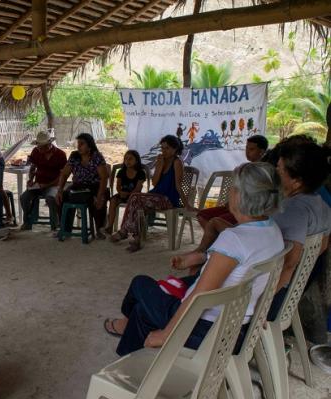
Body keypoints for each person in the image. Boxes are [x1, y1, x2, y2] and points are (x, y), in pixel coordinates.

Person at [104, 162, 283, 356]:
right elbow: (242, 262)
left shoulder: (234, 239)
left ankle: (128, 350)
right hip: (237, 324)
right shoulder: (273, 231)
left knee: (140, 284)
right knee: (144, 309)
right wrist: (200, 257)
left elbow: (199, 295)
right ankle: (130, 356)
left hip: (205, 329)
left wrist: (166, 334)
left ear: (240, 196)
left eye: (232, 188)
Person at [266, 136, 330, 321]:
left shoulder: (294, 210)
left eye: (279, 169)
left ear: (297, 181)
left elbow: (289, 263)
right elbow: (322, 246)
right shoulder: (321, 204)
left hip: (274, 296)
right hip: (293, 292)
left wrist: (264, 299)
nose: (275, 172)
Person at [111, 135, 190, 252]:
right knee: (136, 201)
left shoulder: (177, 162)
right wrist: (159, 166)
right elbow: (154, 182)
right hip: (156, 195)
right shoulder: (161, 160)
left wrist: (187, 205)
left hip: (168, 199)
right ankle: (136, 239)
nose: (164, 151)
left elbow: (178, 186)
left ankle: (125, 232)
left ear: (175, 149)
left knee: (135, 197)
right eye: (162, 148)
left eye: (167, 148)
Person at [196, 135, 269, 229]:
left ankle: (219, 238)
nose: (247, 152)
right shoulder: (245, 167)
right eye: (246, 148)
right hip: (234, 206)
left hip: (248, 210)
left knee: (216, 221)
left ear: (261, 152)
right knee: (202, 215)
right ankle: (216, 238)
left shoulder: (264, 171)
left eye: (251, 149)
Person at [55, 133, 108, 238]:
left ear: (89, 145)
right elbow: (65, 174)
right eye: (78, 144)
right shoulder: (74, 156)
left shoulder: (96, 156)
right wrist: (60, 190)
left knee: (97, 199)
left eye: (82, 144)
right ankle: (65, 228)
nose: (78, 146)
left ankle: (99, 229)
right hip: (78, 186)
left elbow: (103, 178)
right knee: (62, 197)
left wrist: (100, 195)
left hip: (94, 186)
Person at [19, 131, 67, 231]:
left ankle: (55, 226)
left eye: (42, 147)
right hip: (39, 184)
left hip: (54, 184)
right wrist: (31, 180)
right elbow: (33, 167)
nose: (39, 149)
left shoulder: (60, 154)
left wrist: (47, 185)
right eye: (38, 146)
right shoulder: (36, 151)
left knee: (51, 198)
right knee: (24, 197)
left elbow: (63, 175)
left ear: (49, 144)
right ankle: (27, 222)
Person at [103, 149, 146, 235]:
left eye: (130, 159)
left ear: (136, 161)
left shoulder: (141, 173)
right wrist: (120, 192)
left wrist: (129, 194)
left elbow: (138, 188)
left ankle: (128, 228)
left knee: (135, 204)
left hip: (135, 196)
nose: (127, 161)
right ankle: (110, 226)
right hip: (122, 194)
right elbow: (118, 186)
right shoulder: (121, 172)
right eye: (126, 159)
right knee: (113, 201)